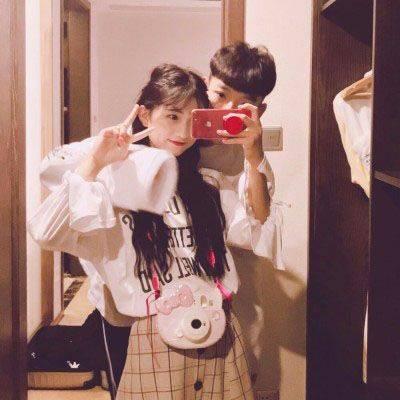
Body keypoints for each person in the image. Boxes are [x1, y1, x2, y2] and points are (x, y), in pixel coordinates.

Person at [29, 63, 283, 399]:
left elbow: (257, 227)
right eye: (172, 116)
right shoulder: (113, 183)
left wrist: (253, 153)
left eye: (193, 120)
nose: (183, 132)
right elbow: (46, 231)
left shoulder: (208, 184)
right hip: (143, 334)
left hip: (213, 325)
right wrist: (96, 161)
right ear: (145, 115)